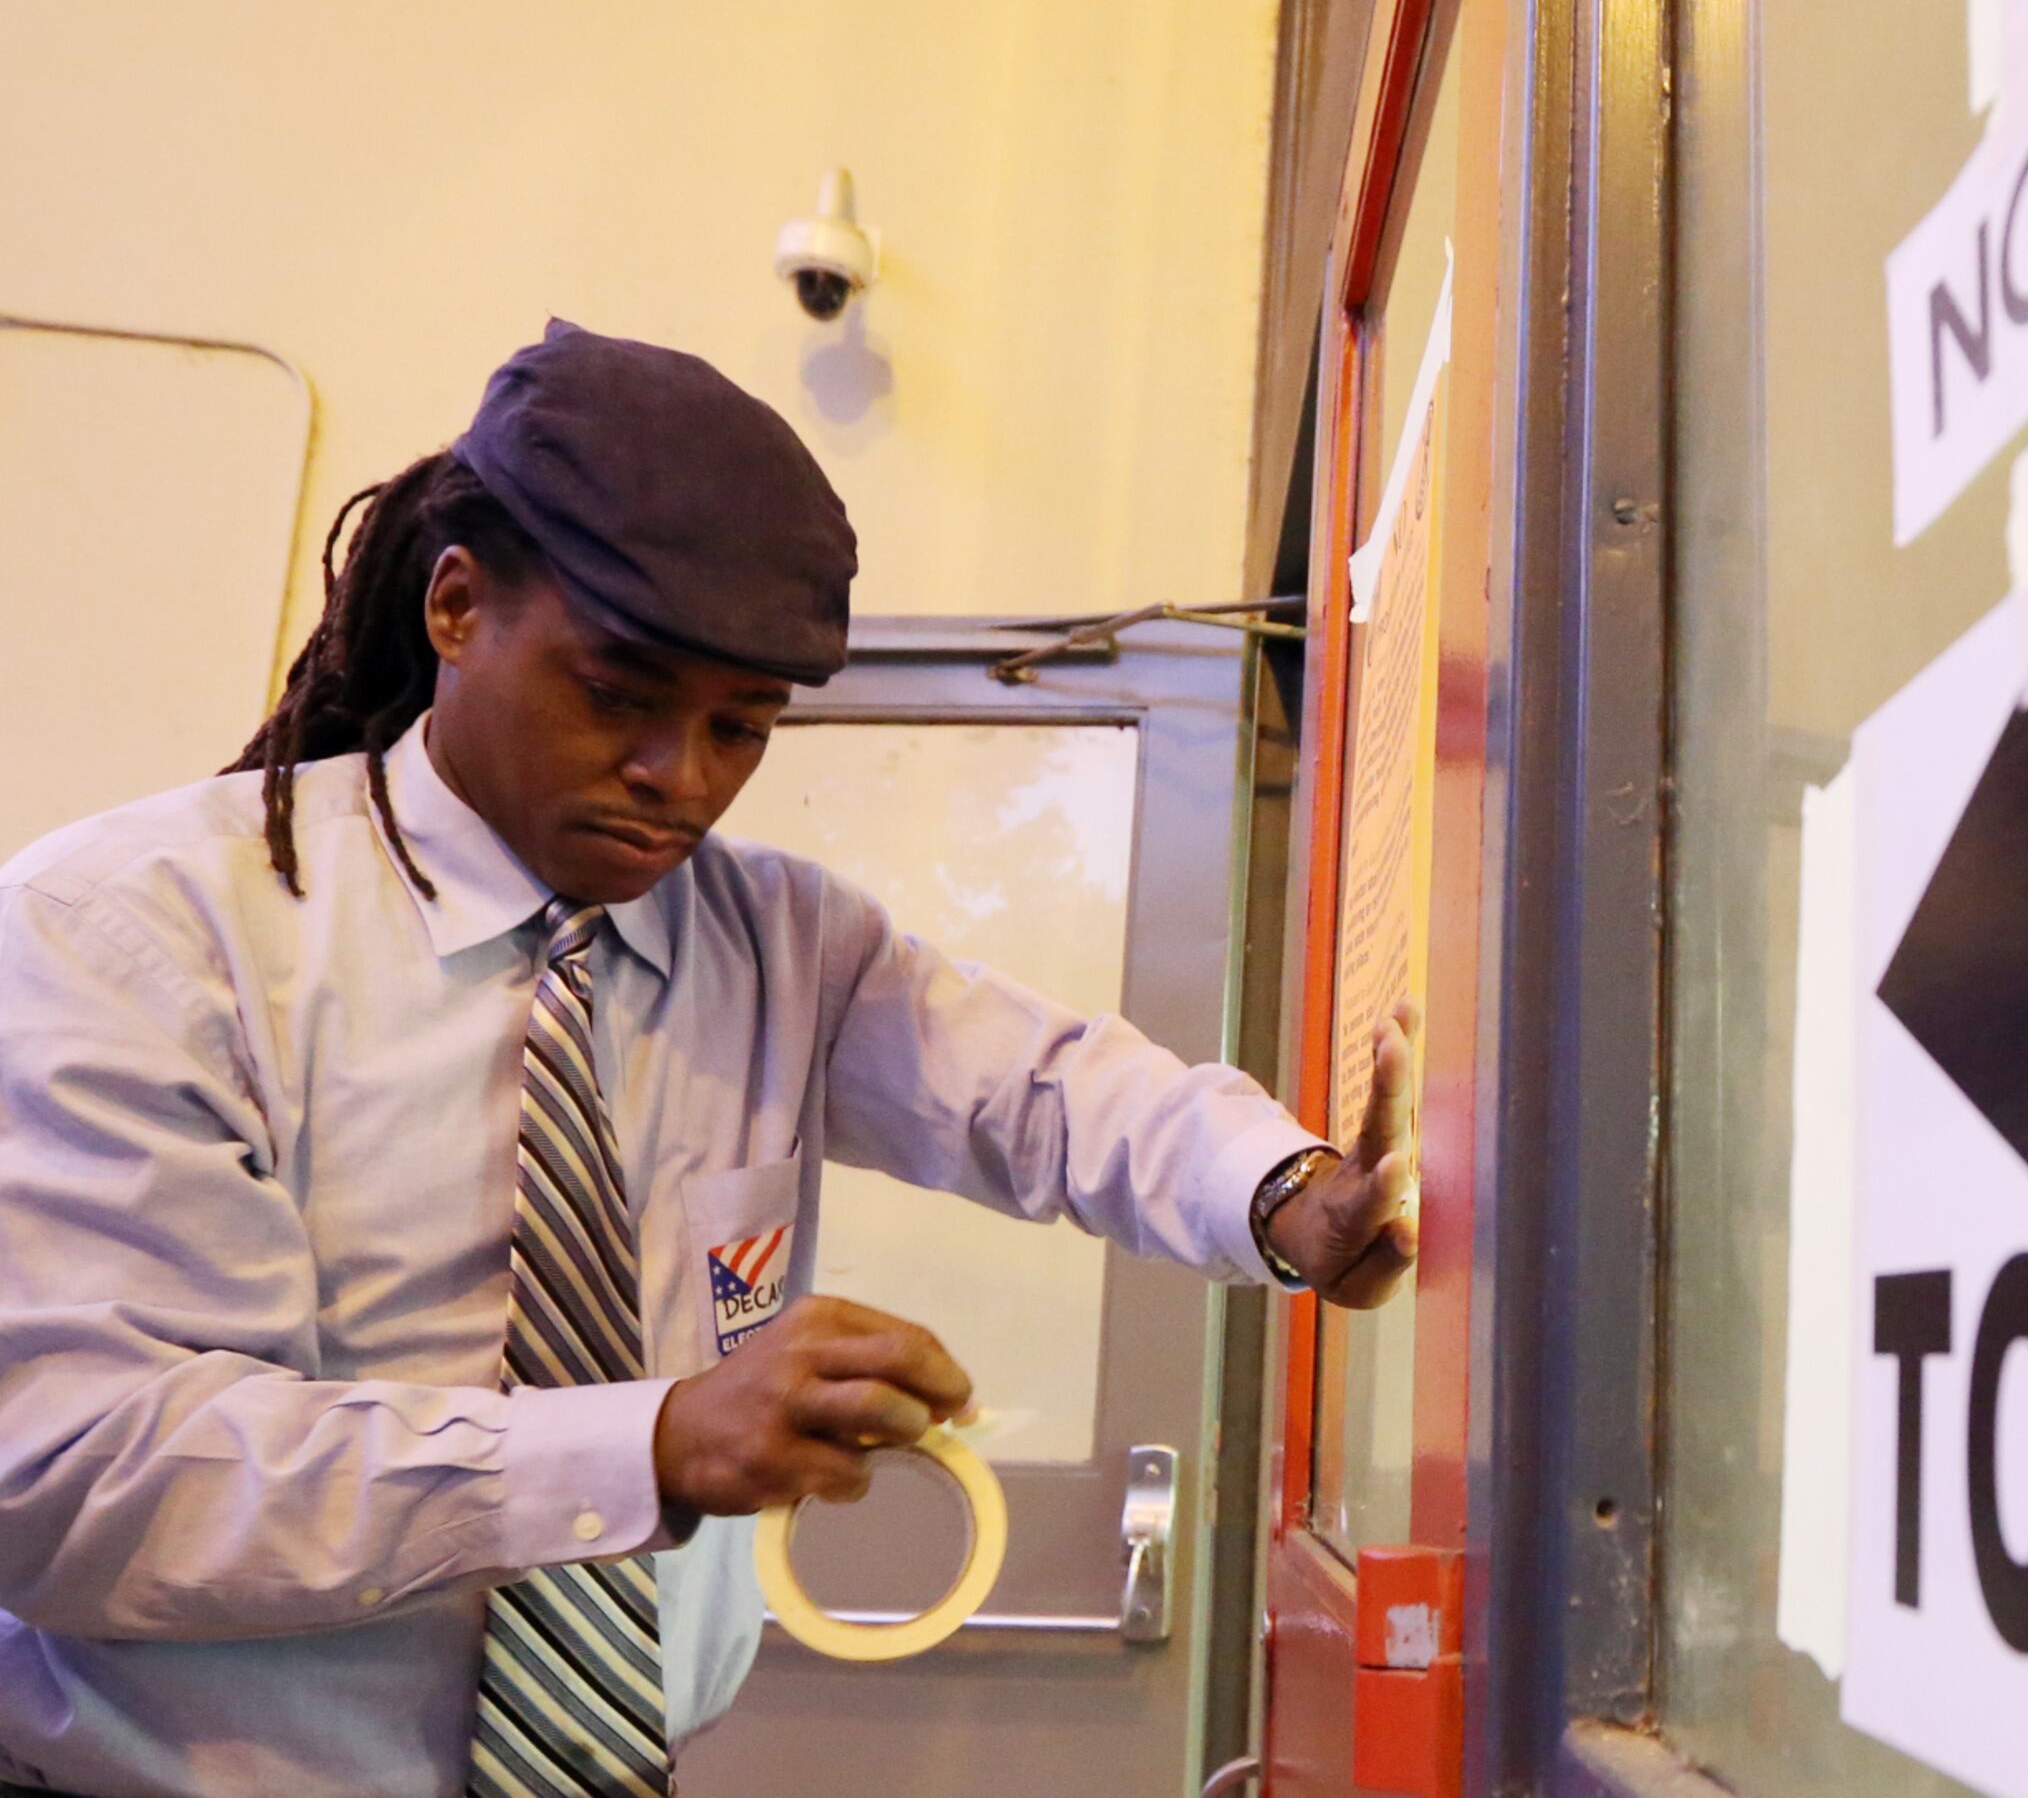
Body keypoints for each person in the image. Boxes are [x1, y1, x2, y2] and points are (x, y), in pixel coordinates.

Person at [0, 323, 1416, 1798]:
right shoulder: (136, 935)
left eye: (741, 727)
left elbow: (1047, 1090)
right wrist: (649, 1445)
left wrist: (1287, 1193)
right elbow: (77, 1479)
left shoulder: (774, 942)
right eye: (619, 696)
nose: (682, 779)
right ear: (459, 606)